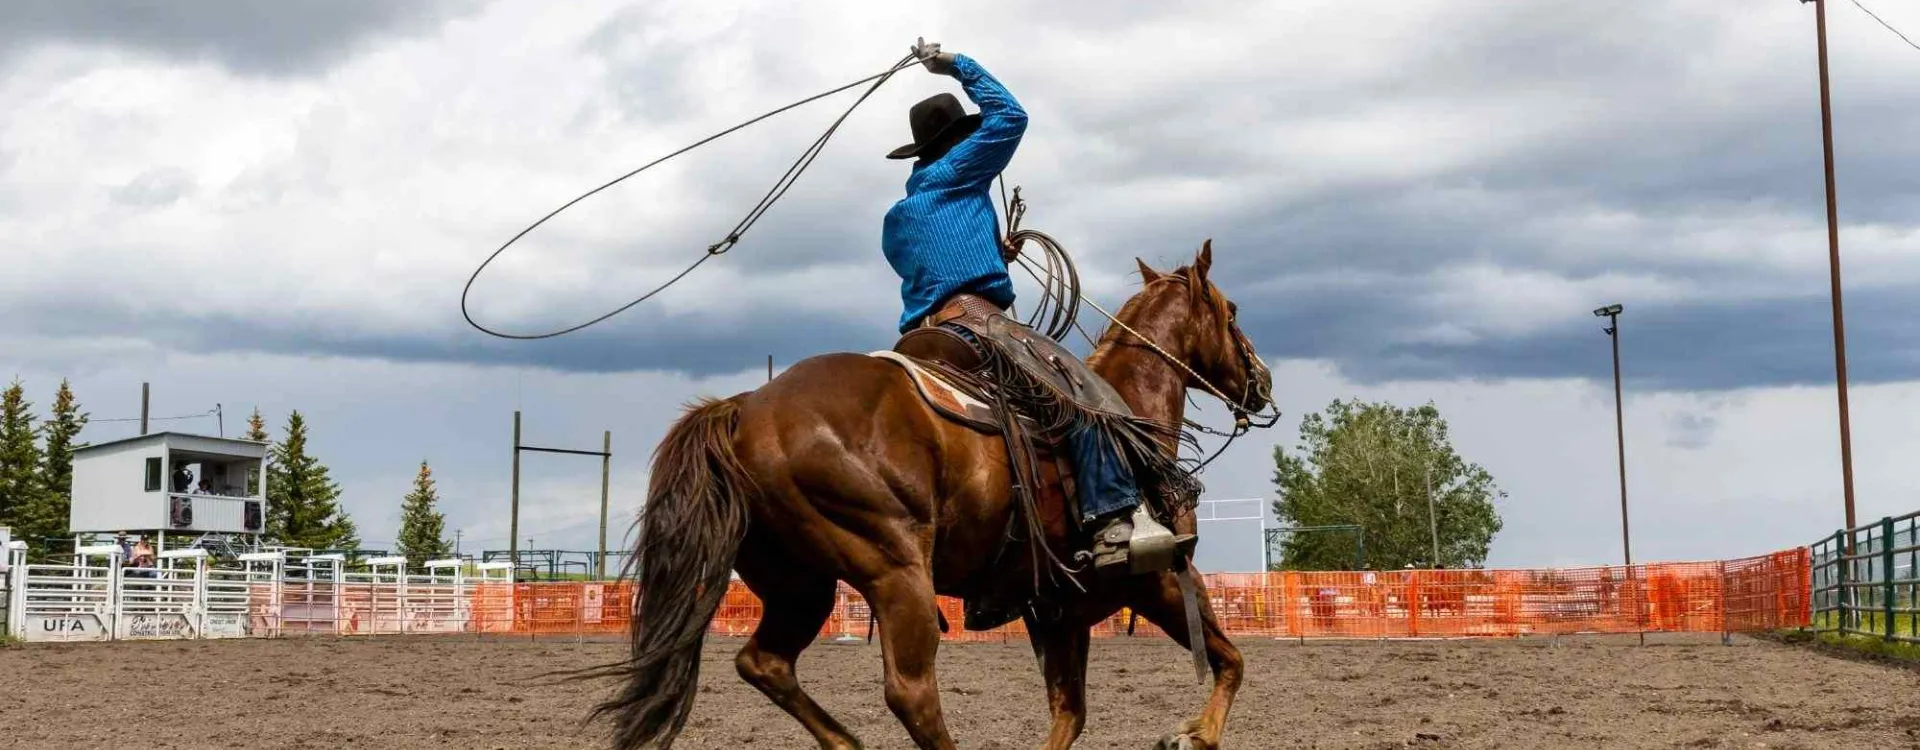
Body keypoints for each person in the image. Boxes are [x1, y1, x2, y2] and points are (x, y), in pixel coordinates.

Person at [883, 39, 1143, 570]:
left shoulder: (901, 214)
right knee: (1090, 401)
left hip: (923, 335)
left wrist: (990, 253)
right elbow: (1010, 115)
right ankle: (1113, 520)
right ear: (958, 141)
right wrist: (955, 65)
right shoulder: (960, 170)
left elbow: (932, 265)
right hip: (980, 325)